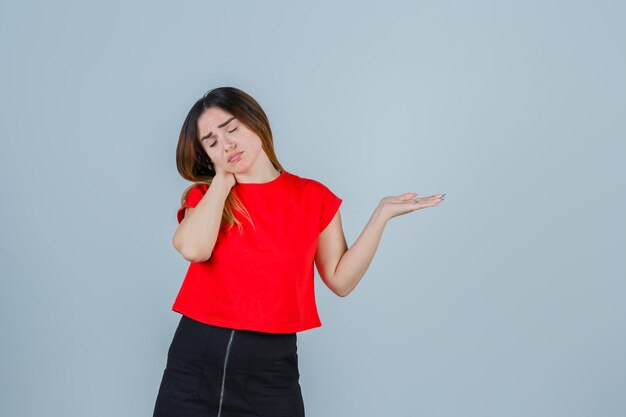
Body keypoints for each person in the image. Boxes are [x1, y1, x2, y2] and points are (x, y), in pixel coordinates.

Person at [152, 86, 445, 417]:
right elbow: (193, 248)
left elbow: (340, 280)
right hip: (195, 364)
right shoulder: (208, 197)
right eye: (212, 142)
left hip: (270, 373)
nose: (228, 144)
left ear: (255, 122)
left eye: (232, 129)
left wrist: (381, 216)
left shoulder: (313, 197)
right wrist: (222, 180)